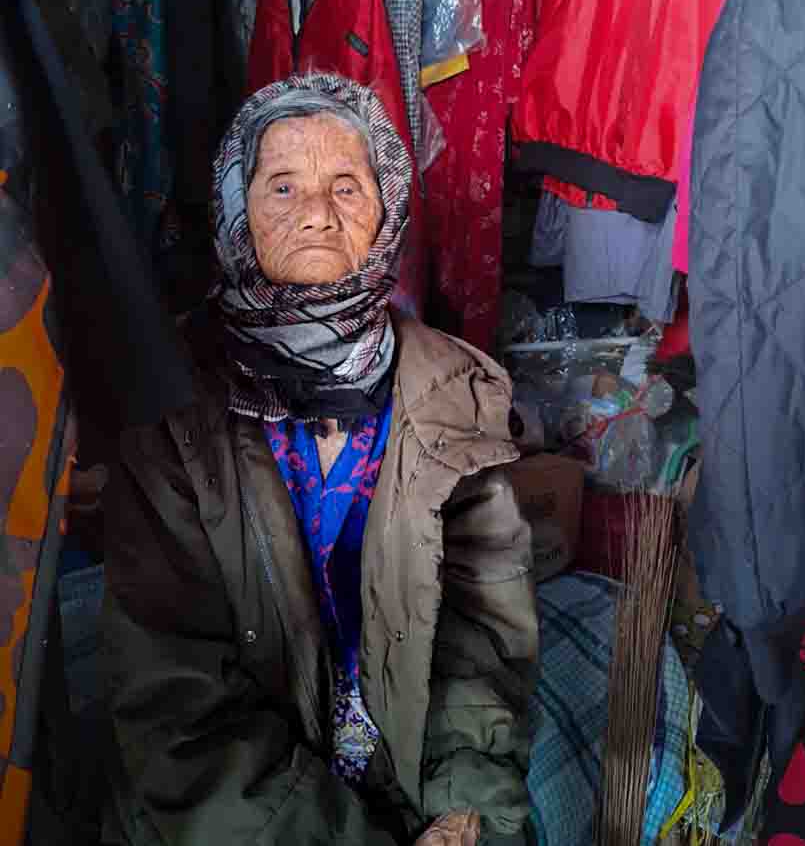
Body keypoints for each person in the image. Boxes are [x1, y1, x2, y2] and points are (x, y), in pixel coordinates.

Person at [102, 73, 538, 846]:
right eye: (281, 186)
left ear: (386, 209)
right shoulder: (172, 414)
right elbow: (175, 704)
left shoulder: (453, 394)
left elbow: (483, 630)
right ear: (236, 211)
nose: (315, 213)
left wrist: (460, 803)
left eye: (345, 185)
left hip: (410, 783)